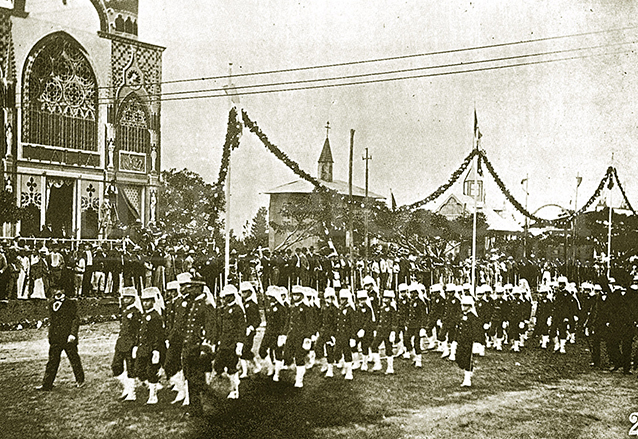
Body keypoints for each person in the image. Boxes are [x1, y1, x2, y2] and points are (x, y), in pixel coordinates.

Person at [36, 287, 85, 391]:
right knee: (52, 361)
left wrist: (72, 334)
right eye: (55, 290)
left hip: (68, 338)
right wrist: (50, 335)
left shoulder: (71, 303)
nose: (57, 292)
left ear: (64, 291)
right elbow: (52, 321)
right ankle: (47, 384)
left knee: (74, 359)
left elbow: (75, 319)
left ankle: (80, 380)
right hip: (55, 338)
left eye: (60, 290)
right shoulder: (51, 304)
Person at [213, 284, 245, 398]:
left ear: (233, 296)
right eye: (224, 297)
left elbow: (241, 328)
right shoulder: (224, 310)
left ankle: (234, 390)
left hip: (232, 343)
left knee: (232, 367)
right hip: (223, 343)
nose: (225, 299)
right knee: (218, 365)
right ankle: (224, 386)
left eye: (228, 296)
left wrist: (239, 343)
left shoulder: (237, 310)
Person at [134, 286, 165, 404]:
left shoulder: (156, 316)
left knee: (152, 371)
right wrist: (137, 345)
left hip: (152, 348)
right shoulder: (144, 316)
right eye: (144, 301)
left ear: (153, 301)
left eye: (148, 301)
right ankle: (154, 384)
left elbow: (158, 335)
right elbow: (140, 333)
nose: (146, 303)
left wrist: (156, 350)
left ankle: (153, 395)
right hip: (143, 348)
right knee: (138, 370)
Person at [111, 286, 141, 401]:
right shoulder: (125, 311)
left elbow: (138, 331)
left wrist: (136, 345)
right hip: (121, 343)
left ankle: (131, 392)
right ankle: (126, 387)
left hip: (131, 344)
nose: (125, 300)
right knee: (116, 366)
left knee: (130, 369)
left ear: (133, 299)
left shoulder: (136, 312)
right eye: (124, 298)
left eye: (128, 298)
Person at [456, 294, 480, 387]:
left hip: (469, 342)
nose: (463, 307)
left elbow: (476, 330)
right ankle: (468, 372)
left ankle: (467, 379)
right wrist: (455, 340)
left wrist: (477, 343)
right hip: (461, 340)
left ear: (470, 306)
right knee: (459, 358)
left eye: (465, 305)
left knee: (467, 360)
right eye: (462, 305)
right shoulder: (461, 316)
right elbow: (458, 329)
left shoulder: (473, 317)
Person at [239, 281, 262, 378]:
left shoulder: (252, 305)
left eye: (245, 292)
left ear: (250, 292)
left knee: (244, 351)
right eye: (242, 292)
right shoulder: (244, 304)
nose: (243, 294)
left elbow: (257, 320)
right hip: (243, 331)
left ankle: (245, 371)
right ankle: (256, 365)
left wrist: (251, 327)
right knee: (245, 351)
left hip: (249, 331)